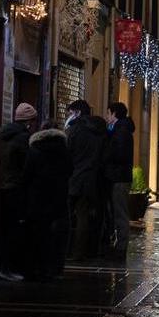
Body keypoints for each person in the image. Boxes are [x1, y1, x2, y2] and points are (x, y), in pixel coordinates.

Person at [23, 121, 73, 278]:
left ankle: (37, 268)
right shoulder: (64, 150)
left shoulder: (34, 149)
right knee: (57, 236)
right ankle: (55, 269)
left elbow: (27, 175)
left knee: (37, 234)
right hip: (58, 198)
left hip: (38, 198)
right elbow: (70, 171)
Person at [0, 102, 37, 281]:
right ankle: (8, 267)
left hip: (4, 186)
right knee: (15, 229)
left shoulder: (4, 135)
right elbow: (28, 165)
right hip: (16, 188)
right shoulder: (22, 139)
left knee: (6, 228)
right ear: (28, 121)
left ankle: (4, 266)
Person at [65, 100, 105, 261]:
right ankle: (81, 251)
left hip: (74, 177)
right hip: (91, 178)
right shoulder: (99, 131)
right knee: (84, 215)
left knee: (67, 215)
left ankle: (66, 250)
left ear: (78, 113)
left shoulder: (74, 131)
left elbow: (67, 154)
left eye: (70, 113)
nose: (69, 116)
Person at [101, 102, 135, 259]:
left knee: (120, 213)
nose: (107, 117)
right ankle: (118, 246)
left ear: (114, 114)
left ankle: (121, 248)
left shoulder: (120, 131)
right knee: (117, 212)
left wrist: (107, 156)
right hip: (118, 176)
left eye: (108, 113)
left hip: (119, 177)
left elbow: (119, 155)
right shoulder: (120, 129)